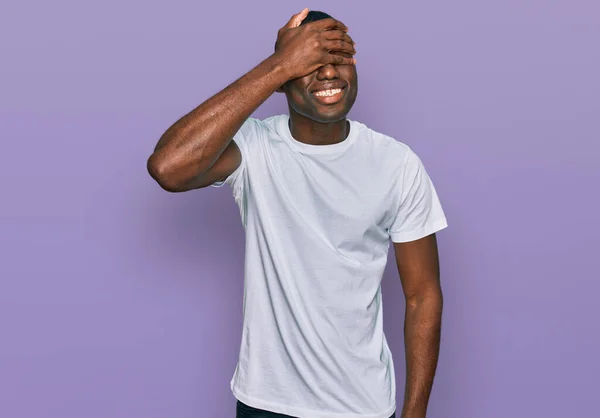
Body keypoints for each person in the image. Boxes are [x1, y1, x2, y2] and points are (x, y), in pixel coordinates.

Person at [147, 8, 448, 418]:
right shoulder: (253, 148)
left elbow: (422, 296)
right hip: (265, 404)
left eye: (338, 57)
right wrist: (277, 65)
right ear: (283, 79)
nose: (328, 74)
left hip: (361, 407)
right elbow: (168, 168)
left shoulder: (396, 163)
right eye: (310, 62)